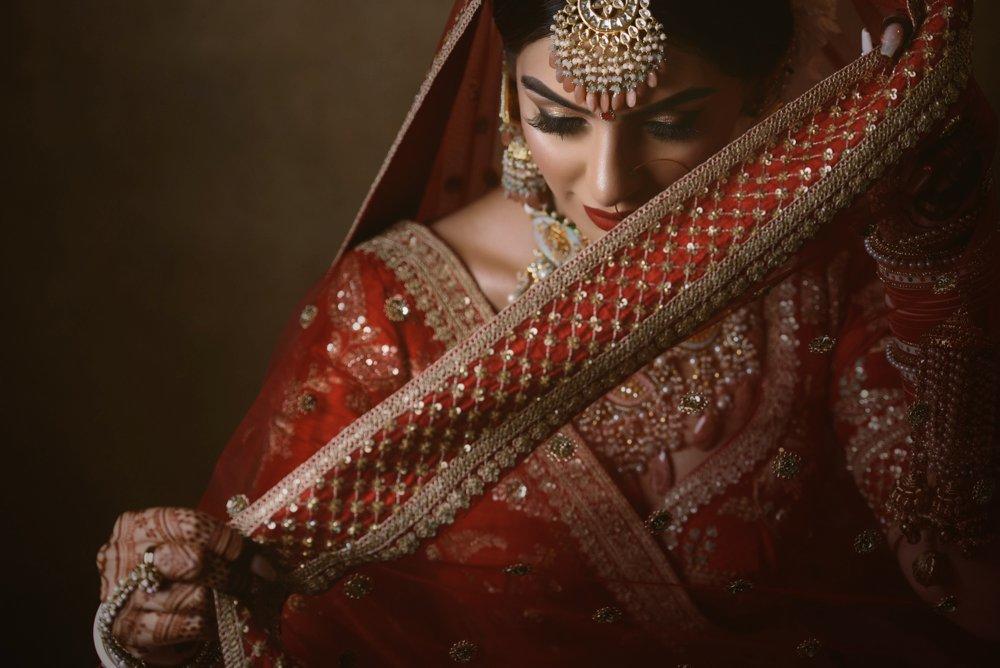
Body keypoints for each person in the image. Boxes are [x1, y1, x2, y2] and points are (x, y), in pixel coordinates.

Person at [95, 0, 999, 665]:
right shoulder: (390, 306)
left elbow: (957, 568)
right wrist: (161, 611)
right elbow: (255, 607)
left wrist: (934, 272)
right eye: (558, 119)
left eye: (673, 121)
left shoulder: (843, 267)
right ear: (502, 92)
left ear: (768, 90)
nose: (607, 179)